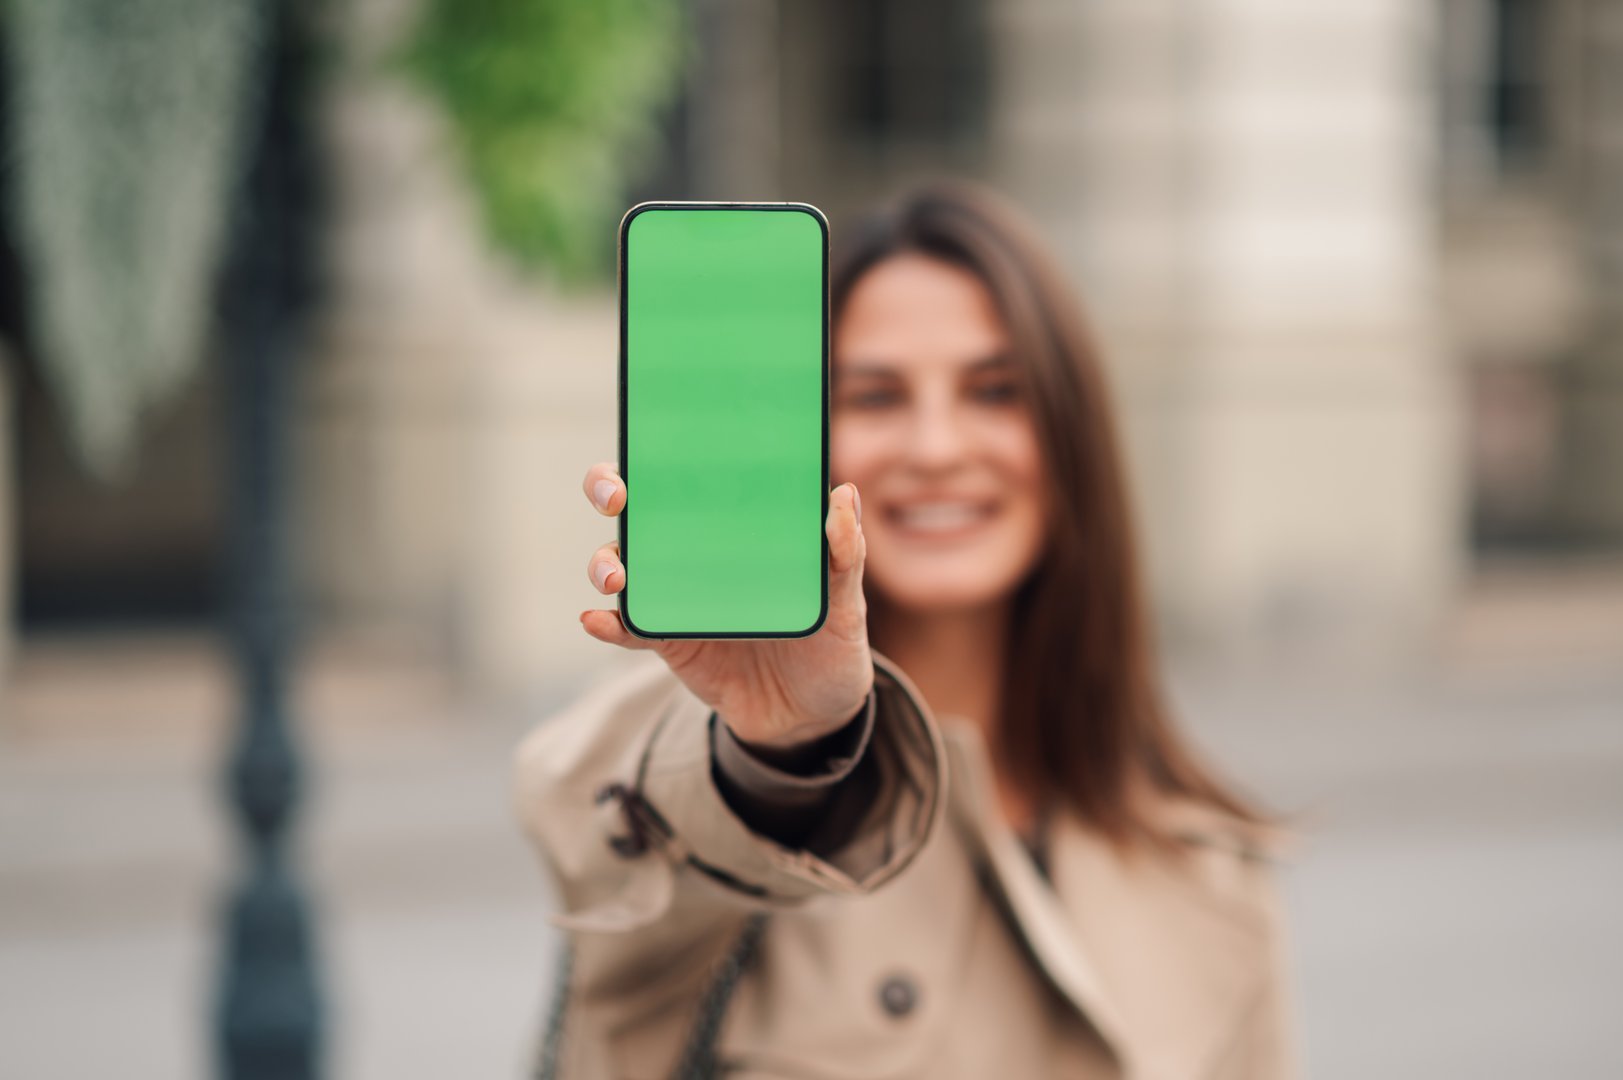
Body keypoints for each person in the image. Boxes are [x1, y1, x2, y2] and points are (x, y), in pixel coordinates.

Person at [515, 181, 1297, 1079]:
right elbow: (604, 832)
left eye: (995, 391)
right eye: (877, 396)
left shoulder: (1214, 879)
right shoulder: (687, 761)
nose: (934, 447)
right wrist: (787, 751)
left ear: (1067, 433)